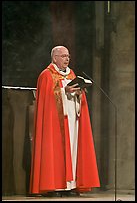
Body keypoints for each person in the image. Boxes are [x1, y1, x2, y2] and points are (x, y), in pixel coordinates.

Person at [29, 45, 100, 197]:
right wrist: (63, 91)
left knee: (73, 152)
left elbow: (75, 96)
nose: (67, 59)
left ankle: (70, 186)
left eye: (68, 56)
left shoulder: (71, 74)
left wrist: (79, 92)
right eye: (63, 56)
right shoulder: (46, 75)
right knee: (54, 153)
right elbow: (46, 101)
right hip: (54, 124)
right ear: (55, 58)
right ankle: (54, 186)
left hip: (73, 121)